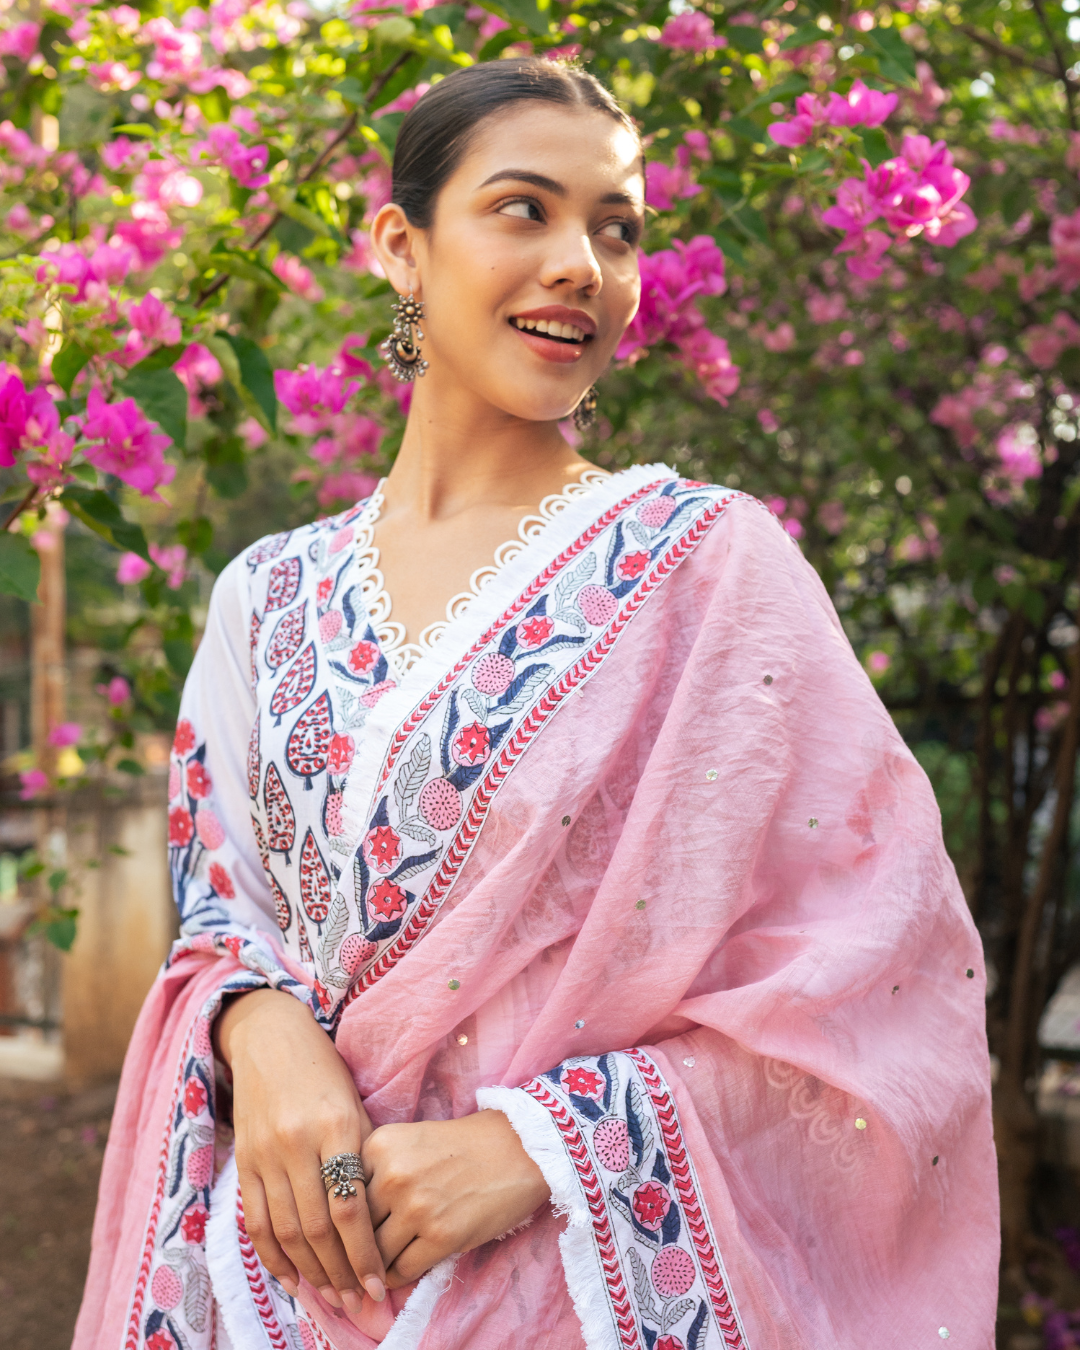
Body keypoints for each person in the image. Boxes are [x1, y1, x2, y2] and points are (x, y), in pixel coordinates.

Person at [75, 58, 998, 1350]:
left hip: (569, 1291)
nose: (581, 265)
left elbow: (879, 981)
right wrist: (259, 1027)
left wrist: (543, 1147)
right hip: (273, 1282)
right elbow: (221, 909)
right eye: (525, 209)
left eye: (617, 230)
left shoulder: (706, 568)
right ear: (401, 246)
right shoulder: (264, 595)